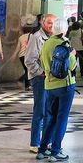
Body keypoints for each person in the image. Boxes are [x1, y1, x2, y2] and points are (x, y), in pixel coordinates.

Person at [36, 18, 77, 162]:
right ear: (65, 30)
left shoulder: (46, 43)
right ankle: (56, 150)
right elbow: (72, 66)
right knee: (62, 118)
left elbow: (42, 62)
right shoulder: (64, 44)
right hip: (65, 85)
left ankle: (42, 149)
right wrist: (73, 55)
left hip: (49, 85)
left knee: (51, 118)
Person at [26, 14, 55, 152]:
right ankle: (35, 143)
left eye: (54, 23)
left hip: (51, 79)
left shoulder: (54, 38)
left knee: (49, 111)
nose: (52, 25)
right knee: (40, 111)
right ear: (43, 23)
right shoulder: (36, 37)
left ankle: (47, 141)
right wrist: (41, 72)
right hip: (39, 78)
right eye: (49, 22)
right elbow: (29, 60)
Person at [16, 25, 32, 91]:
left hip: (21, 56)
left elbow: (18, 48)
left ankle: (27, 86)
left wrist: (14, 55)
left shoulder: (21, 37)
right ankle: (20, 80)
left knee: (27, 70)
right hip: (28, 55)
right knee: (29, 70)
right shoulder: (32, 36)